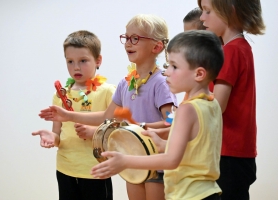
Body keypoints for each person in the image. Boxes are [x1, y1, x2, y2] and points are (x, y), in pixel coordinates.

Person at [39, 14, 177, 200]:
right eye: (126, 38)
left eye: (135, 38)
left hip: (157, 165)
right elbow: (106, 116)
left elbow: (171, 121)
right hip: (133, 163)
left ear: (157, 46)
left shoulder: (161, 82)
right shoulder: (126, 83)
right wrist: (68, 116)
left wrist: (140, 128)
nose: (128, 43)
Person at [91, 30, 224, 200]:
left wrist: (125, 161)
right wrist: (159, 141)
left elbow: (171, 154)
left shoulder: (185, 108)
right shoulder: (212, 104)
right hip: (208, 192)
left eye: (174, 67)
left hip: (189, 195)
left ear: (199, 74)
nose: (167, 72)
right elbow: (194, 147)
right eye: (168, 65)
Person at [32, 30, 116, 200]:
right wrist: (52, 137)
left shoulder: (109, 92)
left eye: (83, 61)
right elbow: (57, 133)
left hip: (96, 170)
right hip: (65, 168)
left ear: (98, 60)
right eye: (70, 61)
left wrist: (94, 131)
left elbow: (118, 129)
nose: (76, 67)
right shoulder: (60, 95)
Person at [198, 0, 266, 199]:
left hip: (228, 152)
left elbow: (216, 107)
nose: (202, 17)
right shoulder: (240, 47)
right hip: (234, 152)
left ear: (230, 12)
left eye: (207, 11)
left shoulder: (231, 51)